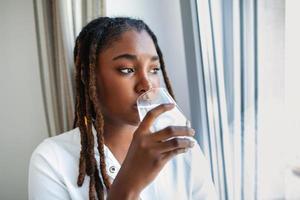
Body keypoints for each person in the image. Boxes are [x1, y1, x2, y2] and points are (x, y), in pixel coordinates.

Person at [28, 17, 217, 200]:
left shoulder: (179, 146)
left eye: (154, 69)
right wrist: (128, 185)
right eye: (127, 69)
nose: (147, 85)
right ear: (89, 77)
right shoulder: (51, 159)